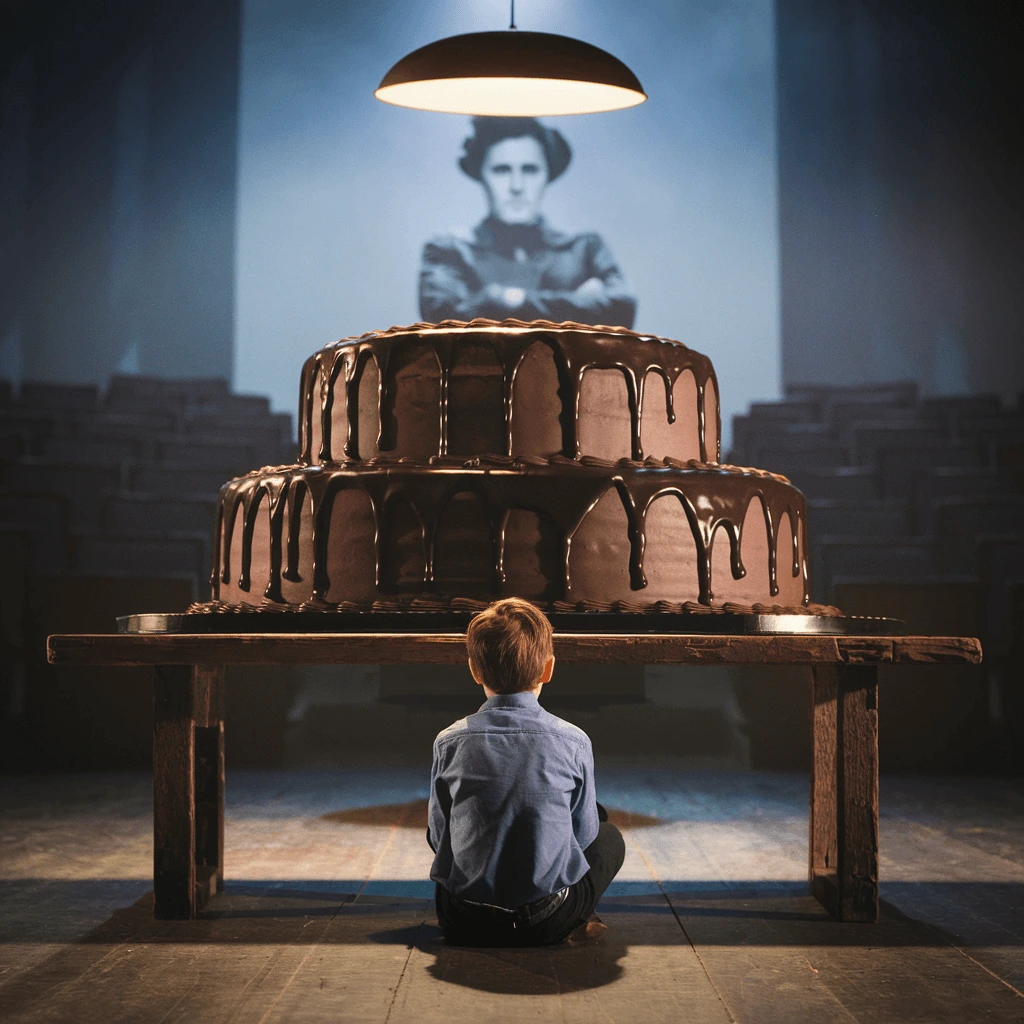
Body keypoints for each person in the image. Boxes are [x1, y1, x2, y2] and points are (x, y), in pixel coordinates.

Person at [427, 597, 626, 946]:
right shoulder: (574, 741)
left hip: (464, 920)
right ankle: (577, 916)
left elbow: (438, 837)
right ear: (548, 668)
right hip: (544, 921)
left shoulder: (449, 742)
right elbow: (582, 837)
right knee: (608, 835)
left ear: (474, 669)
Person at [419, 117, 637, 328]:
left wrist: (509, 299)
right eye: (502, 170)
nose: (517, 186)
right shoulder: (449, 250)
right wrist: (575, 306)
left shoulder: (584, 249)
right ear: (481, 175)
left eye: (530, 170)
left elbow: (622, 308)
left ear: (547, 175)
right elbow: (444, 318)